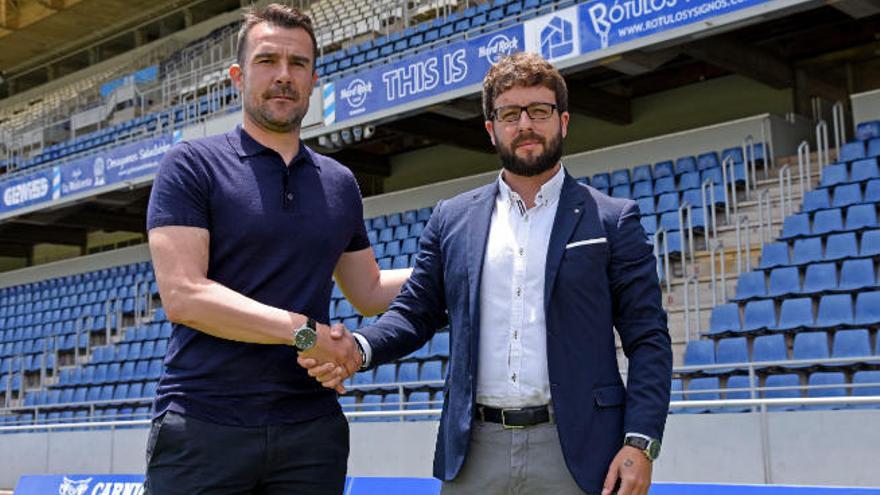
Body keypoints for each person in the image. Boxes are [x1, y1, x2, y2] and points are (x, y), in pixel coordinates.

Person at [301, 52, 672, 495]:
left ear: (564, 121)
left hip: (579, 447)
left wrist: (640, 442)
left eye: (540, 111)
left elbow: (648, 338)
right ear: (491, 128)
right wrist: (357, 349)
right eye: (510, 114)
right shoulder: (452, 219)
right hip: (475, 449)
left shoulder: (611, 220)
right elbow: (414, 313)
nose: (526, 125)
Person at [144, 4, 409, 493]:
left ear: (313, 80)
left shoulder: (340, 183)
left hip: (310, 431)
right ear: (237, 76)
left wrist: (457, 264)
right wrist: (306, 334)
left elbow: (368, 291)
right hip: (205, 426)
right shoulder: (191, 165)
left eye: (298, 64)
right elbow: (184, 296)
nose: (283, 76)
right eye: (267, 61)